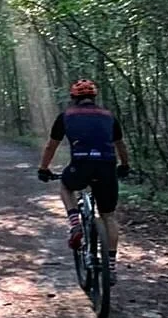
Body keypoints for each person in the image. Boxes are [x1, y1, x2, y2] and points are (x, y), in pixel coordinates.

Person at [37, 79, 130, 282]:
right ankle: (111, 267)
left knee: (65, 186)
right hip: (106, 166)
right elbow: (120, 145)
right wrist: (124, 165)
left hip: (80, 165)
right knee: (109, 216)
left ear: (73, 98)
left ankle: (75, 224)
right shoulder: (109, 116)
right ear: (94, 97)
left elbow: (51, 146)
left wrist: (43, 168)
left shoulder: (66, 116)